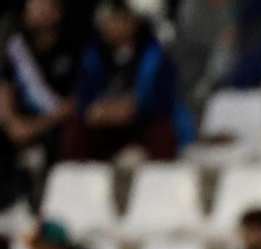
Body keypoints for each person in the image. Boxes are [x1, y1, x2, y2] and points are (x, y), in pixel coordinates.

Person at [61, 0, 180, 162]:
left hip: (140, 123)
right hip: (103, 124)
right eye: (112, 21)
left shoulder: (155, 55)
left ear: (134, 22)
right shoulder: (92, 56)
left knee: (162, 132)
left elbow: (164, 99)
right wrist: (97, 111)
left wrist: (134, 109)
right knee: (75, 131)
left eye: (123, 20)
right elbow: (83, 96)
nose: (118, 27)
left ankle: (162, 182)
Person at [0, 0, 80, 205]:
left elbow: (73, 103)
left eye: (47, 6)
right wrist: (12, 124)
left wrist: (35, 127)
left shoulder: (72, 47)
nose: (41, 11)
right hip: (21, 125)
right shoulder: (15, 46)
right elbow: (4, 88)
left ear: (59, 11)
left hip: (55, 124)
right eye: (35, 5)